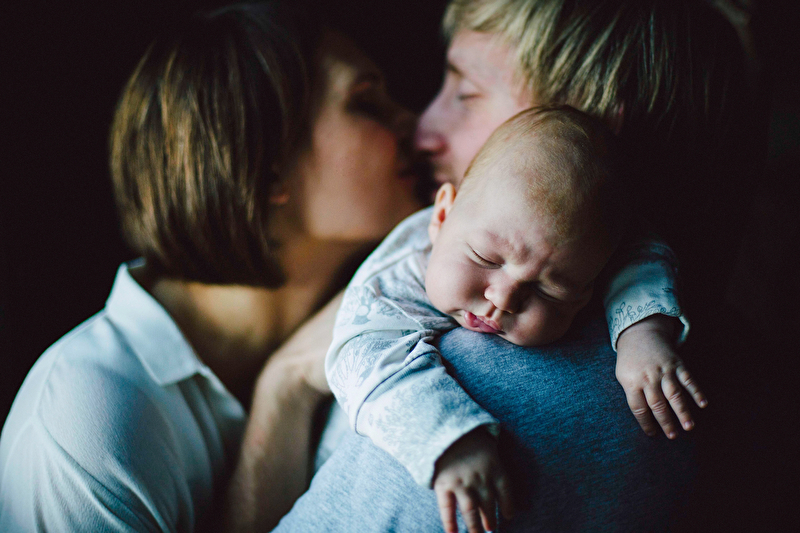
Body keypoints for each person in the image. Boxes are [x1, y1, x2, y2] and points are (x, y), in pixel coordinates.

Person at [275, 0, 752, 531]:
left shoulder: (482, 392)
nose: (421, 130)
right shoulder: (725, 358)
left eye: (468, 93)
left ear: (590, 123)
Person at [0, 2, 424, 531]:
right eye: (366, 102)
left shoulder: (375, 330)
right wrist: (283, 391)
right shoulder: (88, 420)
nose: (413, 122)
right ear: (266, 167)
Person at [326, 106, 704, 533]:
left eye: (549, 290)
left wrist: (642, 332)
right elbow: (364, 363)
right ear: (442, 216)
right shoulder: (389, 287)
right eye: (486, 259)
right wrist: (450, 439)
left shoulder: (567, 247)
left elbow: (638, 251)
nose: (503, 299)